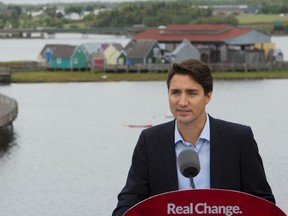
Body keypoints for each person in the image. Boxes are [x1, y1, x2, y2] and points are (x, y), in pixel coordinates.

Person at [112, 59, 275, 216]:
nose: (182, 102)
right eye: (175, 92)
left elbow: (263, 204)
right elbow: (128, 202)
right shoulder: (150, 141)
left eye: (191, 93)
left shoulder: (239, 139)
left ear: (207, 96)